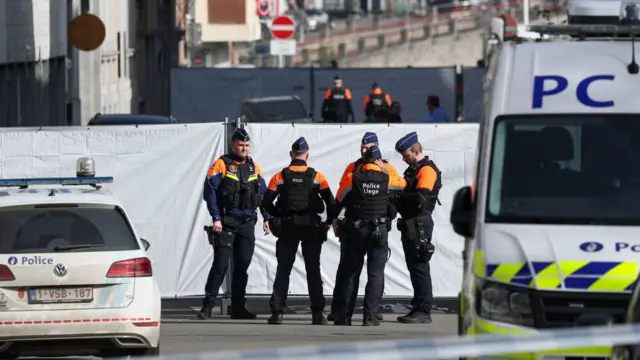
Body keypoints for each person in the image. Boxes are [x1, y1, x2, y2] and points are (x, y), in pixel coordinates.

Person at [328, 132, 405, 323]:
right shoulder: (387, 174)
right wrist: (384, 171)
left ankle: (344, 316)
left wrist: (333, 219)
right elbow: (402, 186)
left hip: (356, 229)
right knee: (376, 273)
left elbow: (338, 199)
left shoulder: (352, 175)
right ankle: (370, 317)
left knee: (351, 272)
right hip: (379, 230)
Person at [198, 128, 271, 320]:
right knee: (220, 265)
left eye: (247, 145)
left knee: (242, 267)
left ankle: (238, 308)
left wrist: (267, 218)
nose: (244, 148)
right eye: (240, 145)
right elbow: (210, 192)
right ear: (233, 145)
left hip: (247, 223)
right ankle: (207, 307)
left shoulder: (254, 167)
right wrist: (216, 218)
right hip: (226, 223)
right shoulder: (221, 164)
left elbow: (262, 195)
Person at [261, 137, 335, 325]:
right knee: (313, 270)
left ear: (291, 155)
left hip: (287, 227)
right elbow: (331, 202)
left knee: (283, 269)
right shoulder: (317, 176)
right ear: (307, 155)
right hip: (311, 228)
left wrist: (276, 216)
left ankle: (277, 313)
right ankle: (318, 314)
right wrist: (327, 223)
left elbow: (265, 202)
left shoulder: (280, 176)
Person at [391, 131, 442, 324]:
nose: (404, 159)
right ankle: (418, 306)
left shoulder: (427, 170)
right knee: (414, 267)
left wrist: (397, 197)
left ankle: (424, 310)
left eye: (406, 155)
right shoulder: (413, 169)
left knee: (420, 267)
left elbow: (421, 199)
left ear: (417, 150)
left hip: (419, 222)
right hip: (410, 221)